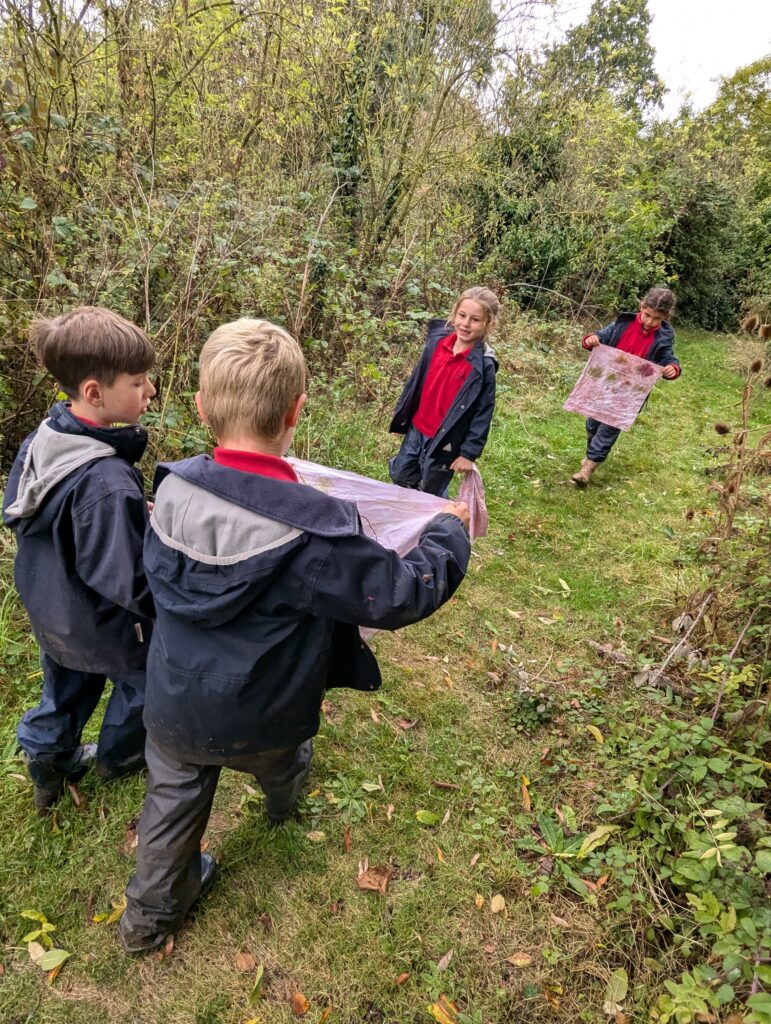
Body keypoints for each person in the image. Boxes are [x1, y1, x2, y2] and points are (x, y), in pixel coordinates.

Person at [118, 318, 471, 954]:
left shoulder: (169, 491)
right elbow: (401, 591)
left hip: (173, 704)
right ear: (296, 410)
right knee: (282, 764)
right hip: (267, 712)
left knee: (169, 808)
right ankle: (282, 803)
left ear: (201, 407)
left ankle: (147, 922)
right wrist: (449, 530)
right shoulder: (314, 533)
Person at [2, 307, 156, 811]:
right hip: (102, 623)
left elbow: (30, 510)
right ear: (94, 392)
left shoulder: (45, 438)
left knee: (63, 692)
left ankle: (47, 767)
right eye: (138, 382)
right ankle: (119, 757)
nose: (150, 391)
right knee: (142, 684)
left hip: (51, 608)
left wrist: (129, 515)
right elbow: (129, 580)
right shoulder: (105, 482)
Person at [389, 286, 499, 497]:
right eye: (462, 315)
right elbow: (415, 383)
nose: (466, 324)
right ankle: (412, 506)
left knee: (431, 487)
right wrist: (402, 416)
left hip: (446, 441)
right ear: (454, 313)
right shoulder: (436, 343)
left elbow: (483, 413)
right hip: (417, 429)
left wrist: (468, 454)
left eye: (475, 320)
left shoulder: (483, 366)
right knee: (400, 474)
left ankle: (436, 521)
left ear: (488, 323)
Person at [570, 287, 682, 487]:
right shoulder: (622, 324)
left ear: (665, 317)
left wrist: (672, 368)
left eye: (656, 319)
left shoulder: (663, 338)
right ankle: (591, 454)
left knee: (609, 428)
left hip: (630, 393)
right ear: (641, 307)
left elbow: (669, 359)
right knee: (593, 424)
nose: (649, 322)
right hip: (604, 384)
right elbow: (599, 337)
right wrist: (591, 340)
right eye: (647, 315)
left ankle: (587, 468)